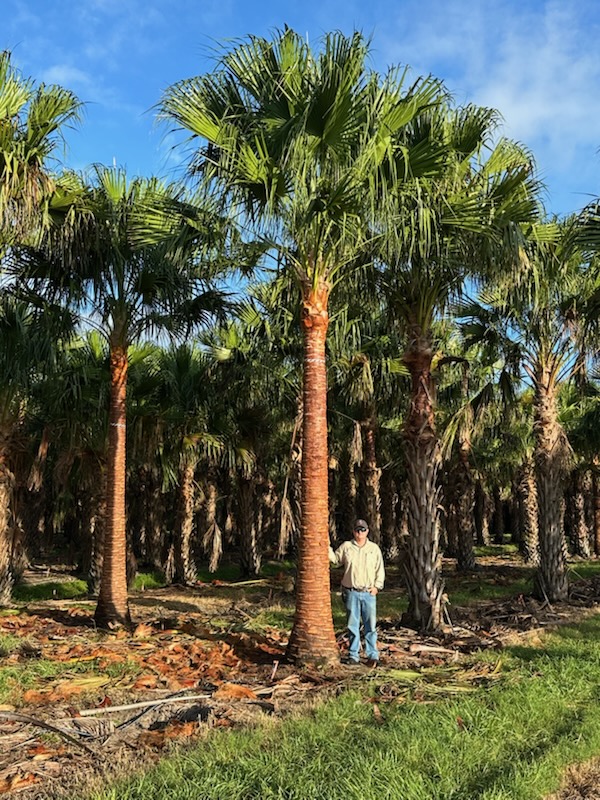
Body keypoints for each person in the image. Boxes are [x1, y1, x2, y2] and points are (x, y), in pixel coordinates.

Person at [329, 519, 385, 666]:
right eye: (357, 530)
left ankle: (372, 655)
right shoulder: (347, 547)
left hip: (368, 593)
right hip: (351, 592)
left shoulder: (374, 549)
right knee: (352, 625)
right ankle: (353, 655)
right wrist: (325, 546)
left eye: (363, 530)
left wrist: (377, 587)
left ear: (367, 531)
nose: (360, 533)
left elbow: (380, 569)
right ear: (354, 531)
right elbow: (335, 561)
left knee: (370, 625)